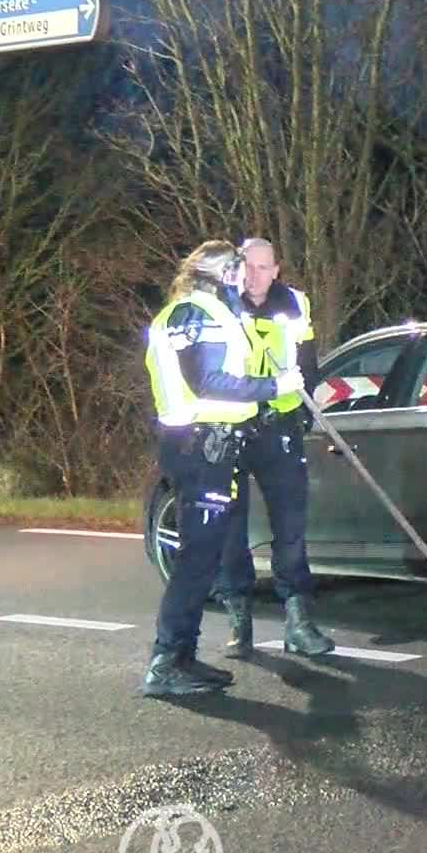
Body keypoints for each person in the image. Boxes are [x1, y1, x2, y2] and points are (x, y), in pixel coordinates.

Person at [141, 240, 306, 697]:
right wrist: (275, 385)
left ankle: (181, 656)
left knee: (204, 555)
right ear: (220, 275)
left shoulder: (206, 312)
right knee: (197, 558)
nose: (243, 278)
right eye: (236, 269)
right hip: (199, 446)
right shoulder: (194, 314)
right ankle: (167, 662)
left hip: (209, 446)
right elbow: (208, 382)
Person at [216, 237, 335, 659]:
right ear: (236, 268)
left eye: (263, 267)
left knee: (291, 527)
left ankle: (298, 623)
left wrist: (305, 410)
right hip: (231, 425)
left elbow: (307, 362)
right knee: (230, 528)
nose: (255, 275)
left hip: (279, 427)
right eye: (248, 266)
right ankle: (239, 621)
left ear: (276, 270)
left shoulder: (295, 304)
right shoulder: (219, 305)